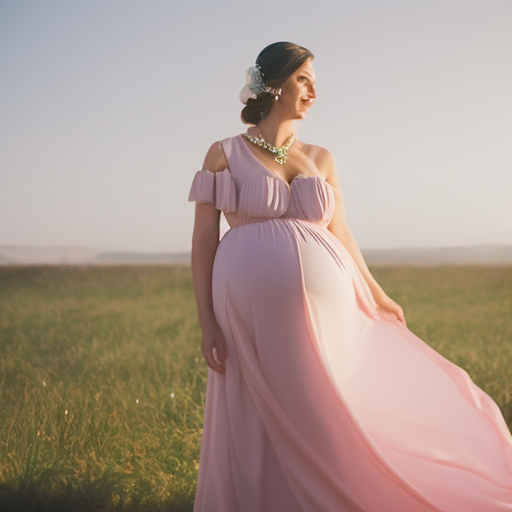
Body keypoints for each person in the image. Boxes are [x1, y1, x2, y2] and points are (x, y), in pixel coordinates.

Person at [188, 41, 512, 512]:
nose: (313, 89)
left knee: (322, 406)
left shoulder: (321, 158)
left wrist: (378, 294)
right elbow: (202, 241)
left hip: (324, 309)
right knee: (256, 408)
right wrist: (207, 322)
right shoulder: (223, 153)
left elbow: (341, 232)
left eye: (314, 79)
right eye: (303, 79)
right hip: (244, 308)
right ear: (273, 84)